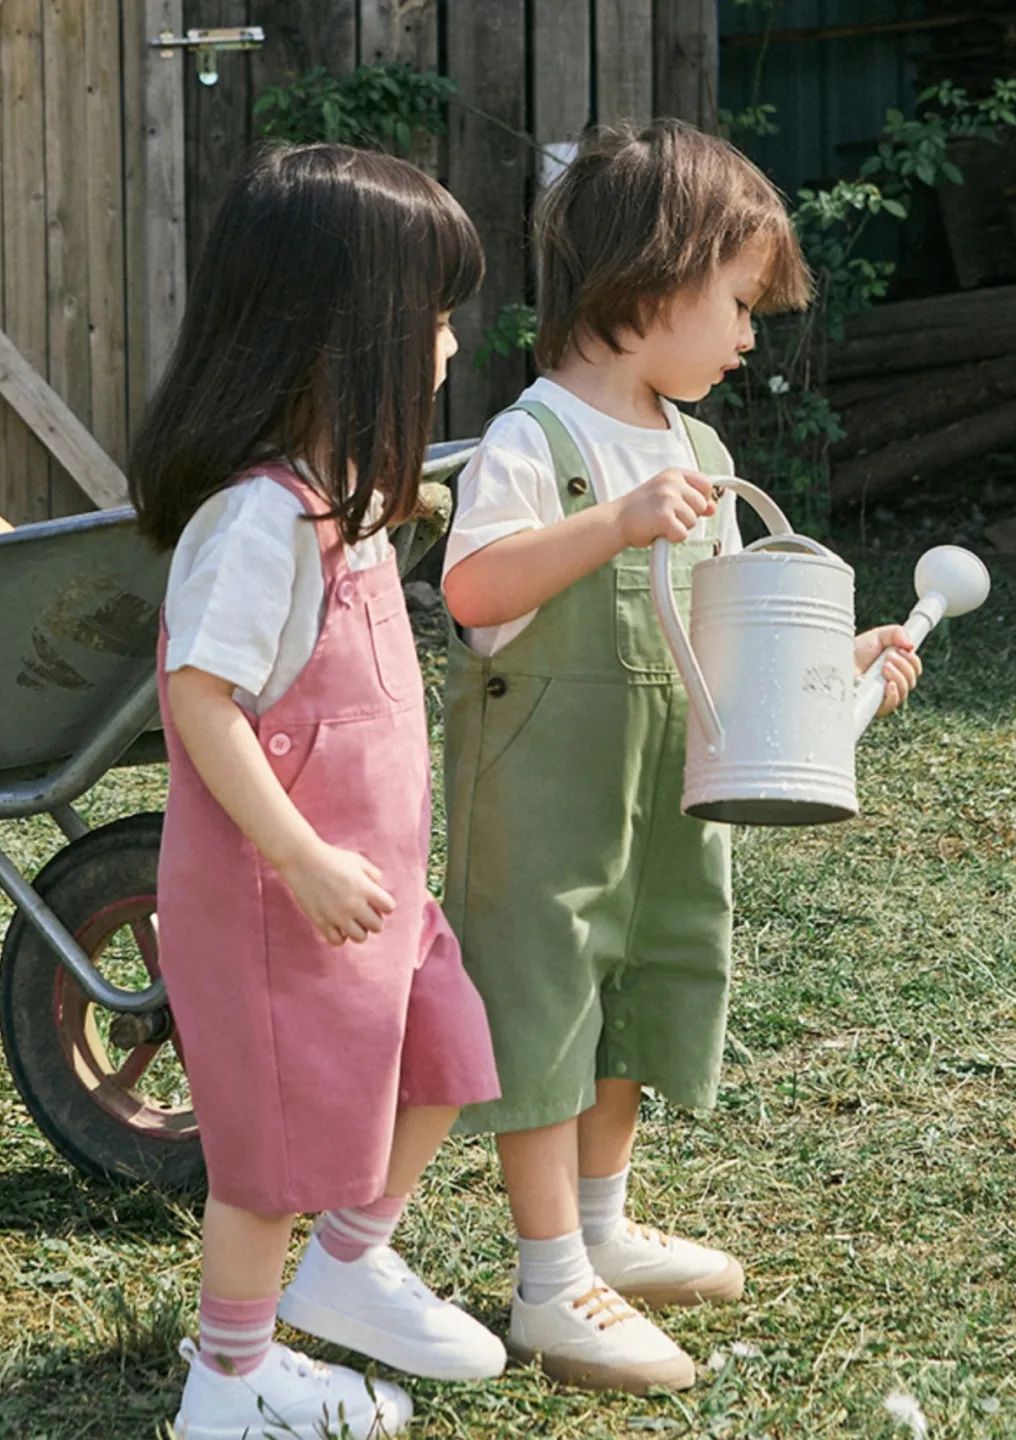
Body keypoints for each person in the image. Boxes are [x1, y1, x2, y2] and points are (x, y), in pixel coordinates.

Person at [441, 119, 922, 1395]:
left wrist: (843, 655)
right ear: (652, 287)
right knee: (549, 1001)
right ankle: (549, 1282)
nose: (752, 334)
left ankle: (602, 1224)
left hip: (667, 792)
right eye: (739, 304)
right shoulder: (532, 442)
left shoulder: (700, 451)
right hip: (549, 797)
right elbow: (478, 593)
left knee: (644, 982)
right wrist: (613, 521)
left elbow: (727, 628)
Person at [130, 141, 505, 1440]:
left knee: (447, 1051)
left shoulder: (340, 515)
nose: (453, 340)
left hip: (372, 894)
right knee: (268, 1166)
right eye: (435, 313)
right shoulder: (257, 524)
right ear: (354, 336)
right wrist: (296, 854)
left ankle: (350, 1265)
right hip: (284, 900)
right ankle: (225, 1391)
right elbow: (199, 702)